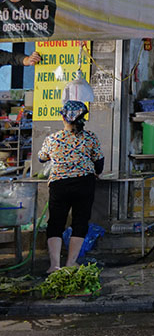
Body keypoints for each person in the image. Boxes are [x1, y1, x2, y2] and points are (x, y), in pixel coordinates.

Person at [37, 100, 104, 273]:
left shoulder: (53, 139)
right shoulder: (90, 137)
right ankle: (71, 263)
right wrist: (94, 170)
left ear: (63, 117)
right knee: (80, 222)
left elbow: (42, 158)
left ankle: (54, 265)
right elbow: (99, 163)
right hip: (84, 183)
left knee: (56, 223)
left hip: (59, 184)